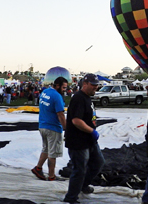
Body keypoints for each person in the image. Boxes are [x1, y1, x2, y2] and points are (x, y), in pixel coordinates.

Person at [64, 74, 104, 204]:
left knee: (98, 162)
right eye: (93, 85)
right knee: (79, 169)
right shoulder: (79, 98)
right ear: (84, 84)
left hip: (89, 140)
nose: (95, 87)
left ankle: (83, 185)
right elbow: (76, 120)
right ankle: (71, 198)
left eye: (96, 85)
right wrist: (91, 131)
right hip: (78, 141)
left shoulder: (87, 98)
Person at [32, 77, 69, 181]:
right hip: (53, 128)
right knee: (53, 154)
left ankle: (38, 168)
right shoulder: (57, 97)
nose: (64, 90)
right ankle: (52, 176)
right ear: (57, 86)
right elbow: (60, 114)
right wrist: (66, 128)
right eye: (63, 88)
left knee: (46, 149)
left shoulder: (45, 92)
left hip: (42, 125)